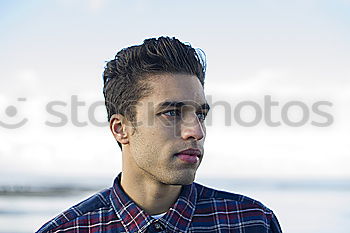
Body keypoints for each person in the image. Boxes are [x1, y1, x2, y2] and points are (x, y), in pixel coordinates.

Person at [37, 36, 282, 233]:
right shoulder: (70, 229)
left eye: (200, 115)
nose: (195, 131)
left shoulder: (252, 222)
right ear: (121, 129)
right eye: (172, 113)